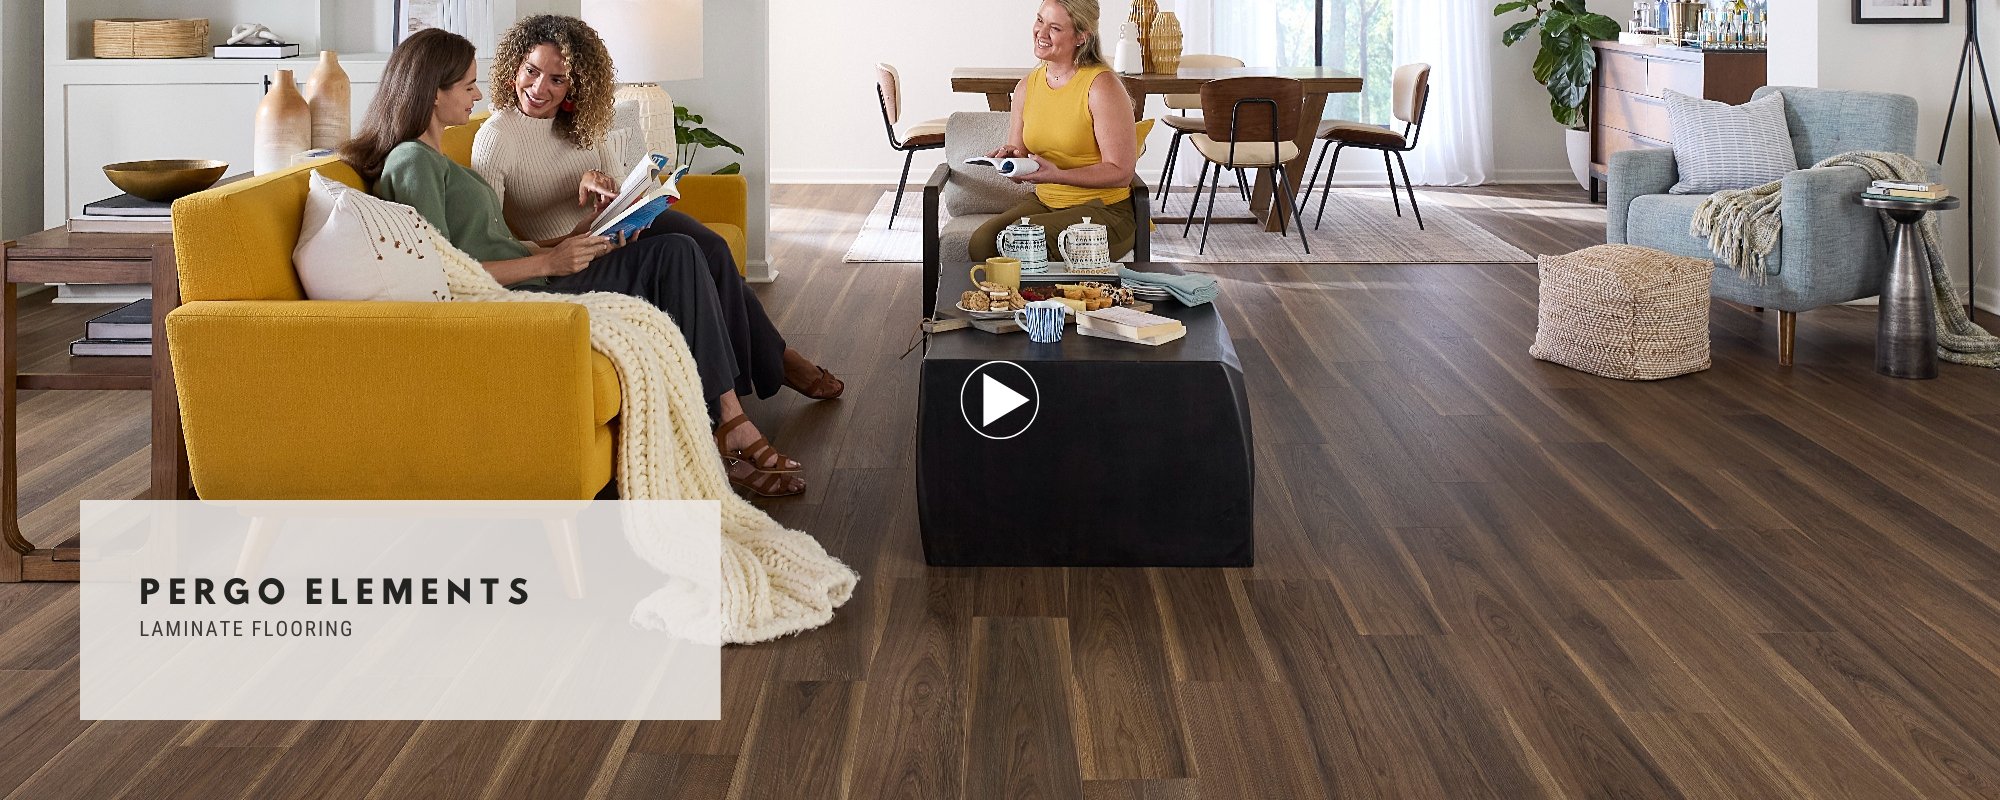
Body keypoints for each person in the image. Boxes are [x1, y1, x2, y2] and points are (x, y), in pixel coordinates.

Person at [338, 28, 806, 498]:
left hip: (540, 268)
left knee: (685, 251)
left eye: (556, 79)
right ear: (432, 93)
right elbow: (443, 275)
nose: (478, 94)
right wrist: (554, 262)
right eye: (467, 85)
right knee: (678, 257)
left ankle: (726, 421)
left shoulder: (434, 156)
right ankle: (731, 423)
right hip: (521, 294)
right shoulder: (413, 161)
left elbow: (494, 243)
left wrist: (575, 239)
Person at [471, 15, 844, 407]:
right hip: (570, 253)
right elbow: (498, 245)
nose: (539, 88)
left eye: (556, 79)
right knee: (686, 251)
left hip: (608, 229)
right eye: (531, 71)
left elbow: (617, 189)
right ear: (515, 65)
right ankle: (777, 363)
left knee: (713, 249)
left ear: (573, 85)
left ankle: (765, 369)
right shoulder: (497, 139)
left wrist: (597, 184)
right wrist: (569, 237)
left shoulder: (580, 122)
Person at [968, 0, 1139, 262]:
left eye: (1055, 28)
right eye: (1040, 20)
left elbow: (1120, 172)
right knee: (982, 242)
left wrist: (1059, 175)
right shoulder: (1027, 86)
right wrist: (1010, 162)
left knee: (1020, 240)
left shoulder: (1102, 86)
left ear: (1081, 36)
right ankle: (1009, 303)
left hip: (1106, 211)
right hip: (1047, 203)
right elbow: (1020, 162)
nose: (1041, 32)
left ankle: (1038, 303)